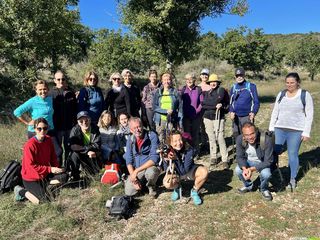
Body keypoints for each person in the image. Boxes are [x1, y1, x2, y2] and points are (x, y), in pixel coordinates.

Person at [269, 72, 314, 190]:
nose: (289, 85)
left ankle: (292, 179)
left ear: (298, 82)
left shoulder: (305, 95)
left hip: (296, 130)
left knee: (292, 154)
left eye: (292, 83)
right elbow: (275, 111)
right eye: (287, 83)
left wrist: (306, 132)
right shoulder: (281, 94)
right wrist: (271, 127)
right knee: (275, 151)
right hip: (279, 128)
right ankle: (273, 171)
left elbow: (309, 114)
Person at [14, 118, 67, 204]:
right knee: (44, 201)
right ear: (35, 129)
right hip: (31, 178)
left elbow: (53, 156)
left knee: (65, 176)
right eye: (39, 129)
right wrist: (50, 169)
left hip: (44, 174)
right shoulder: (30, 145)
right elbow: (32, 166)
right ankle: (20, 190)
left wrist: (57, 168)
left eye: (45, 128)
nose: (42, 131)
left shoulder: (48, 139)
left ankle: (44, 186)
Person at [13, 80, 62, 157]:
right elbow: (17, 112)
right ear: (36, 90)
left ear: (48, 89)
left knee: (58, 151)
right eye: (40, 89)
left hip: (50, 130)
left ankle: (55, 168)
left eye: (44, 89)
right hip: (36, 131)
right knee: (38, 155)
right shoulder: (32, 101)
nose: (43, 91)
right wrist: (27, 122)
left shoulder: (50, 99)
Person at [162, 130, 208, 205]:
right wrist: (166, 159)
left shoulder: (188, 149)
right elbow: (166, 170)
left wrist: (176, 159)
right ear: (170, 143)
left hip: (189, 170)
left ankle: (194, 191)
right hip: (177, 172)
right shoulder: (168, 150)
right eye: (175, 141)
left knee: (204, 172)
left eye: (180, 140)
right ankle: (177, 188)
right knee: (167, 183)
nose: (178, 143)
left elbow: (184, 170)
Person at [235, 122, 273, 201]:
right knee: (238, 170)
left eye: (252, 134)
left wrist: (252, 169)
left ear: (256, 131)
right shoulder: (239, 139)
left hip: (262, 162)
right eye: (247, 135)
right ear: (243, 135)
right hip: (248, 161)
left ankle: (264, 189)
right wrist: (245, 168)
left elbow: (268, 161)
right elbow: (239, 157)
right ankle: (248, 186)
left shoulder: (266, 140)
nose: (250, 137)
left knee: (266, 174)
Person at [124, 117, 160, 197]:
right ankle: (142, 184)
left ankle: (151, 187)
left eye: (139, 126)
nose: (137, 130)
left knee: (151, 173)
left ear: (142, 126)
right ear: (131, 130)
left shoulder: (152, 135)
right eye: (134, 128)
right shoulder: (130, 139)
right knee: (129, 192)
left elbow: (154, 159)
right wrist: (133, 176)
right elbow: (128, 160)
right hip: (138, 169)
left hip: (150, 167)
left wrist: (136, 171)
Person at [49, 70, 77, 165]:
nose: (61, 81)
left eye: (63, 79)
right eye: (58, 79)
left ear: (65, 80)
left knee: (69, 148)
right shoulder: (50, 94)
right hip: (57, 127)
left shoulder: (71, 92)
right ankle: (59, 170)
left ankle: (68, 168)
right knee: (58, 151)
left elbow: (75, 109)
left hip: (69, 127)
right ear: (54, 80)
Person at [202, 74, 230, 168]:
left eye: (214, 82)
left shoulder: (221, 90)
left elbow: (213, 102)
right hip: (207, 117)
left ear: (217, 82)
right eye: (211, 82)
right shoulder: (207, 92)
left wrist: (212, 104)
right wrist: (214, 105)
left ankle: (224, 159)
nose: (213, 83)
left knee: (220, 138)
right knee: (211, 138)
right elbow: (203, 105)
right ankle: (213, 157)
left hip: (218, 117)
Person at [68, 111, 101, 180]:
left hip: (92, 153)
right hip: (81, 153)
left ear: (90, 120)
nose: (84, 122)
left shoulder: (95, 128)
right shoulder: (75, 130)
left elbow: (97, 145)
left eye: (86, 120)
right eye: (81, 121)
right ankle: (75, 176)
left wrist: (86, 150)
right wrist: (86, 151)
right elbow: (73, 146)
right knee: (74, 154)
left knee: (94, 175)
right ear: (78, 122)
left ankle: (93, 171)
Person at [229, 67, 260, 139]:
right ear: (235, 77)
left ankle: (249, 149)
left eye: (241, 75)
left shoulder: (251, 86)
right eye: (237, 76)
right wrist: (231, 111)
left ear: (244, 76)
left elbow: (256, 102)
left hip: (247, 116)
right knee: (237, 136)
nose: (239, 77)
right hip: (236, 117)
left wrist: (253, 112)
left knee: (248, 136)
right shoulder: (233, 88)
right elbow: (230, 102)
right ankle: (239, 149)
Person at [153, 72, 183, 142]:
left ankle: (172, 153)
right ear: (162, 81)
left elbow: (180, 108)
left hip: (172, 120)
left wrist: (180, 122)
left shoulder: (176, 92)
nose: (166, 81)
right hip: (160, 120)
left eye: (168, 79)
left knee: (171, 138)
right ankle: (163, 152)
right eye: (164, 80)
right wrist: (165, 111)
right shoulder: (158, 92)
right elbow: (154, 106)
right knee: (161, 138)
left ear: (171, 81)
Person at [180, 73, 203, 157]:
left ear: (194, 80)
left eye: (191, 79)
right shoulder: (183, 90)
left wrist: (197, 111)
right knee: (187, 135)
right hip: (186, 116)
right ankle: (188, 153)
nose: (189, 81)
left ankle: (196, 152)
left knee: (195, 134)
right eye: (187, 79)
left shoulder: (198, 90)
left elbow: (201, 103)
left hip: (196, 116)